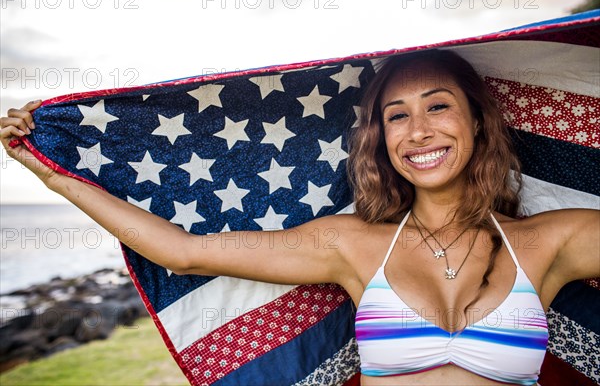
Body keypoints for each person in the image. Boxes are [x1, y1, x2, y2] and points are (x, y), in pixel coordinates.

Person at [1, 49, 598, 386]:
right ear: (380, 136)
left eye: (438, 106)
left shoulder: (551, 239)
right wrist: (51, 172)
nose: (418, 131)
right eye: (396, 115)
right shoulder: (352, 245)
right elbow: (180, 250)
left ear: (476, 121)